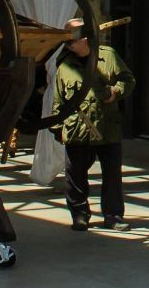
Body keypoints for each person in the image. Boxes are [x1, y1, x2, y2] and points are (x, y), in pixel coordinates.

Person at [50, 19, 134, 231]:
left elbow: (128, 80)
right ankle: (79, 215)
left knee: (112, 175)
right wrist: (57, 128)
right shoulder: (65, 65)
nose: (68, 44)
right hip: (77, 129)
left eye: (72, 40)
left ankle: (113, 216)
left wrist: (115, 92)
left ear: (85, 39)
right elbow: (58, 99)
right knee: (75, 175)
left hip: (107, 127)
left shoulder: (108, 56)